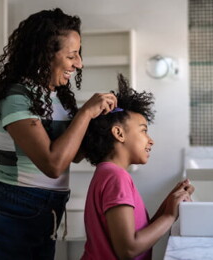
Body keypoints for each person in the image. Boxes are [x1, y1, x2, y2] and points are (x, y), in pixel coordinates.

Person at [0, 8, 117, 260]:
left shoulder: (57, 98)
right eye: (72, 56)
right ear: (45, 55)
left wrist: (103, 122)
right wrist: (85, 113)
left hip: (46, 209)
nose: (79, 64)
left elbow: (72, 155)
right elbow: (53, 164)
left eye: (79, 55)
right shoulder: (16, 98)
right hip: (10, 208)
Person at [80, 74, 194, 260]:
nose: (151, 140)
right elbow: (129, 249)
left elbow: (141, 234)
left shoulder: (107, 173)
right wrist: (170, 216)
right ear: (119, 133)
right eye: (143, 130)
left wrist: (170, 203)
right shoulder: (116, 178)